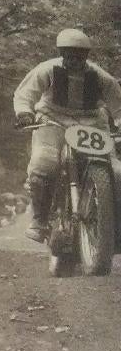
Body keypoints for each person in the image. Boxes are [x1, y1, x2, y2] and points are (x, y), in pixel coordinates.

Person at [13, 29, 121, 241]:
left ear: (87, 56)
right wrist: (25, 113)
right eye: (69, 54)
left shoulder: (100, 77)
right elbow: (25, 94)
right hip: (53, 120)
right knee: (43, 163)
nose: (74, 59)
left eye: (80, 55)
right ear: (62, 53)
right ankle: (40, 219)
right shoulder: (47, 70)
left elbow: (118, 105)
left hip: (92, 122)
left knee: (115, 170)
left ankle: (113, 223)